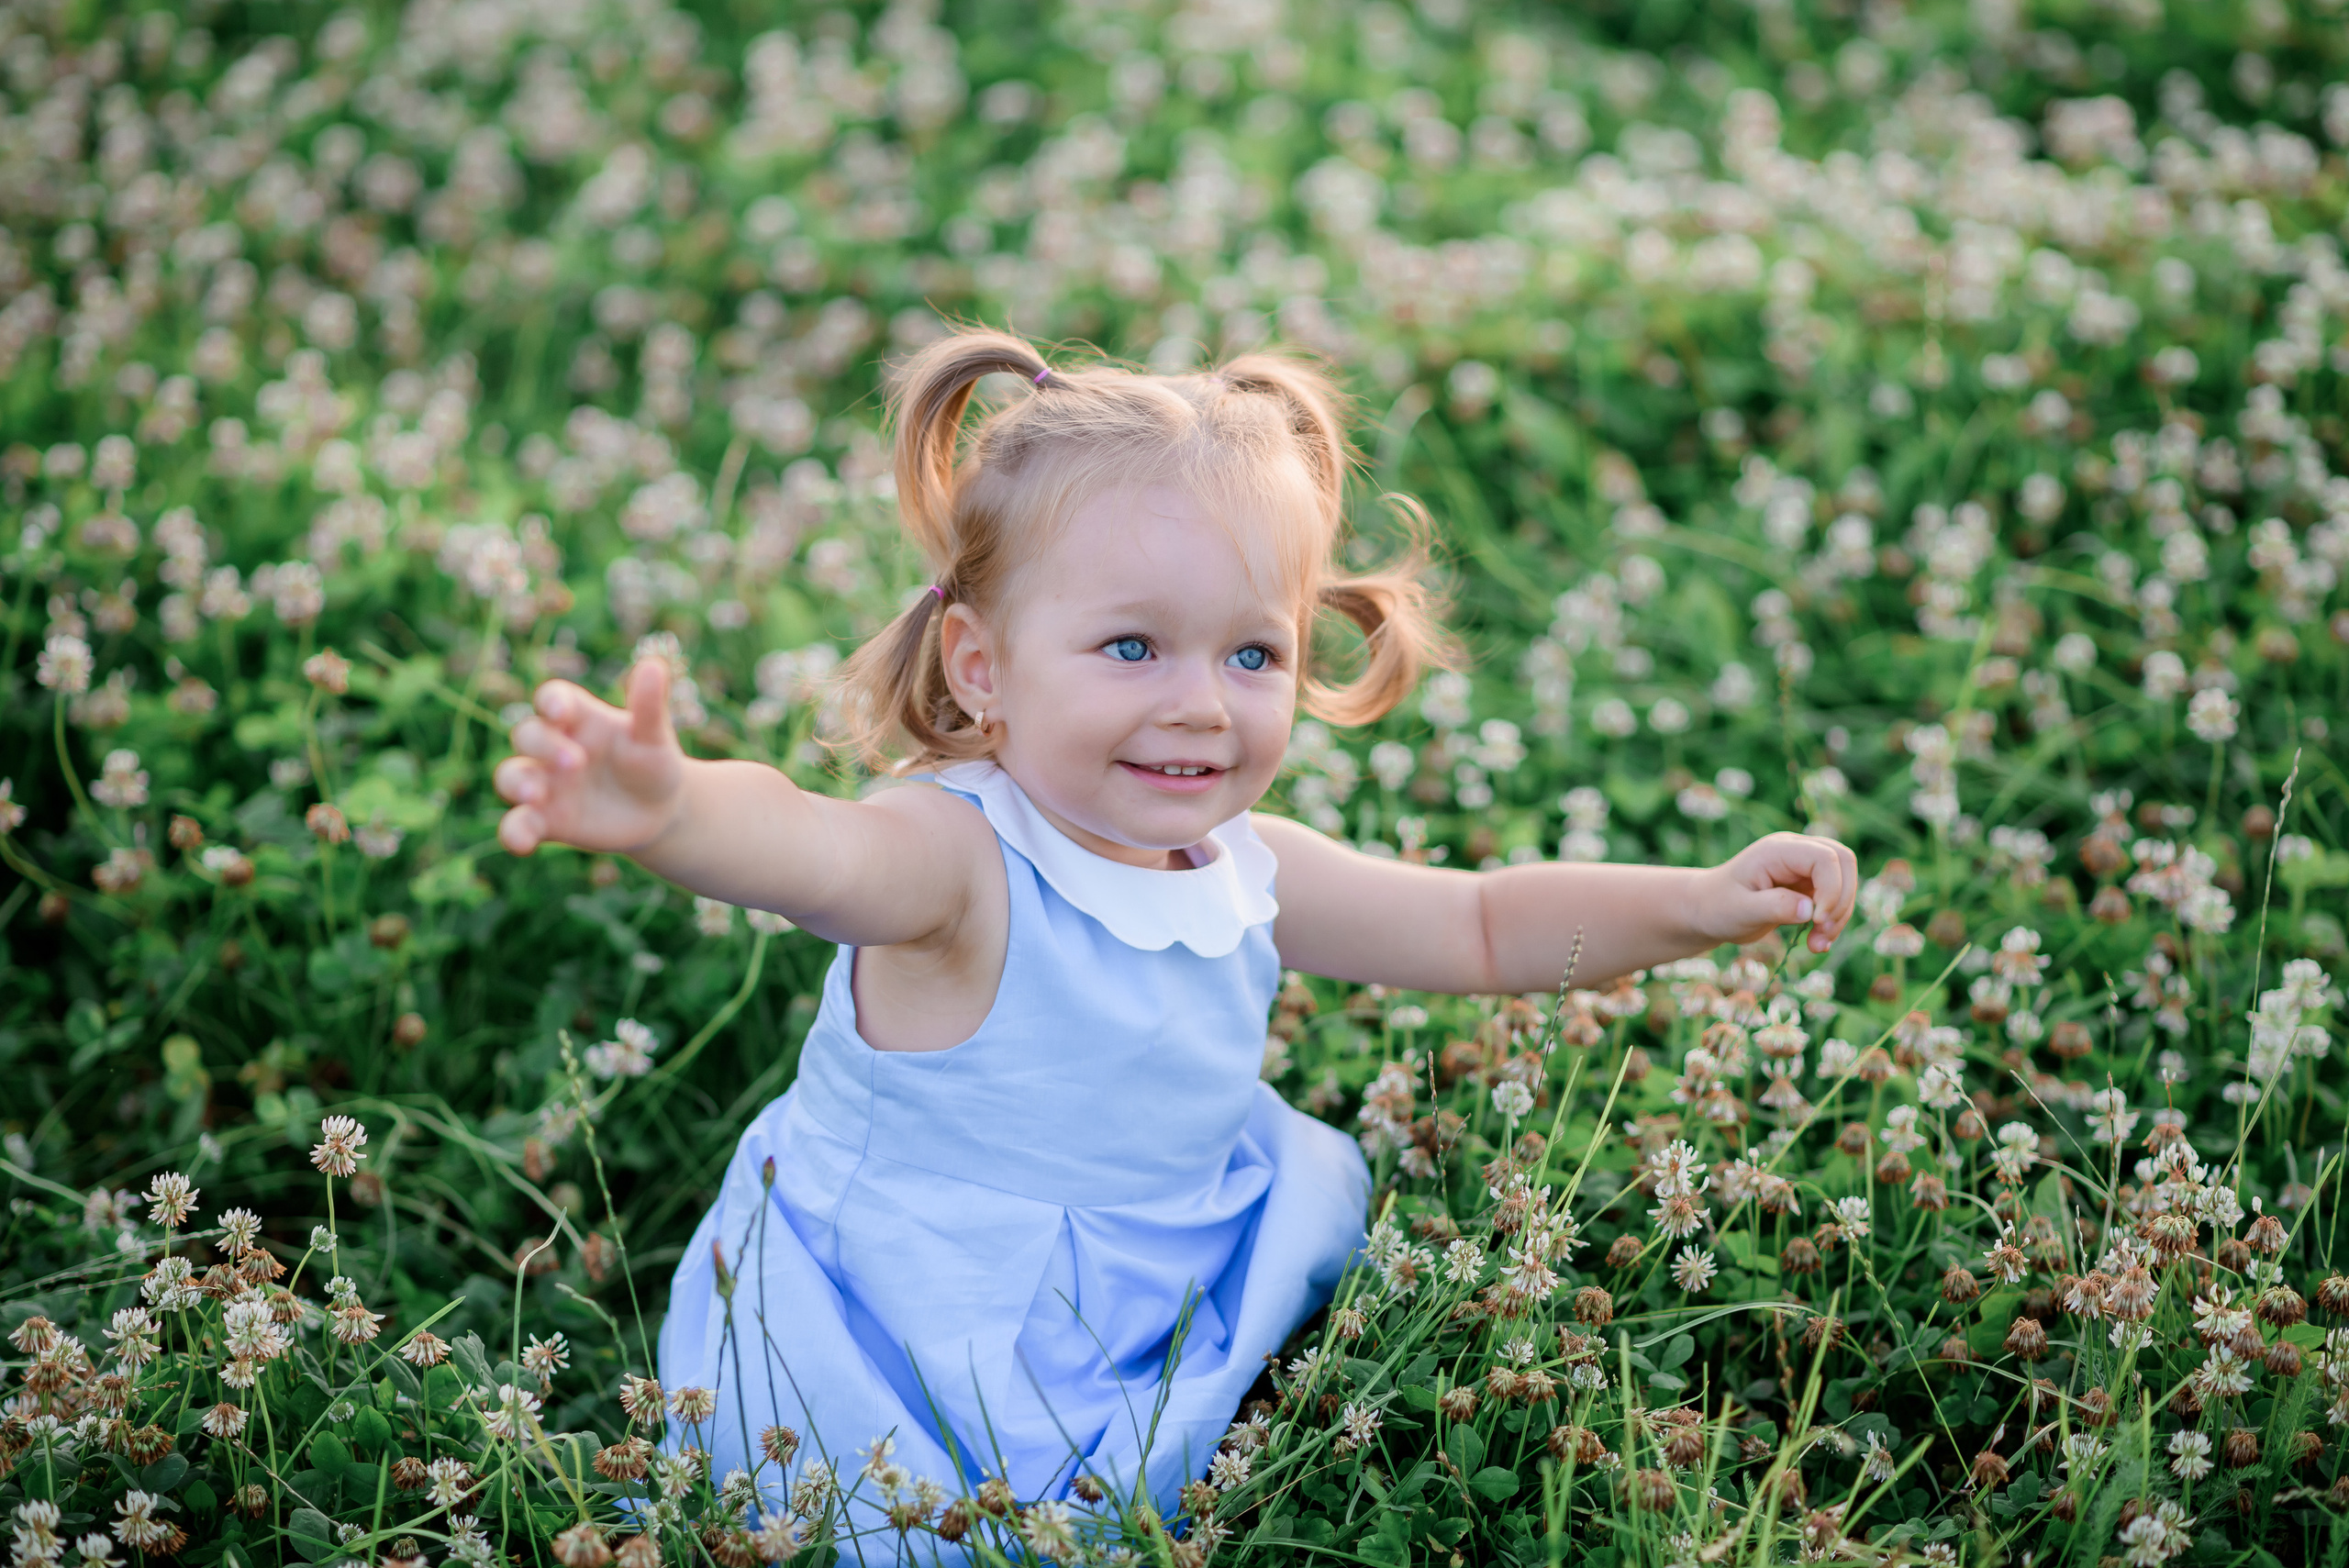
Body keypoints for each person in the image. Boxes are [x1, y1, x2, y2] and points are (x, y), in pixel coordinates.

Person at [493, 328, 1857, 1554]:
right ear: (982, 666)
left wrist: (1695, 900)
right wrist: (672, 811)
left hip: (1147, 1244)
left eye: (1250, 655)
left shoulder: (1238, 861)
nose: (1202, 705)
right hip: (926, 1309)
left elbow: (1483, 920)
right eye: (1134, 647)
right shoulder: (960, 859)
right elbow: (808, 849)